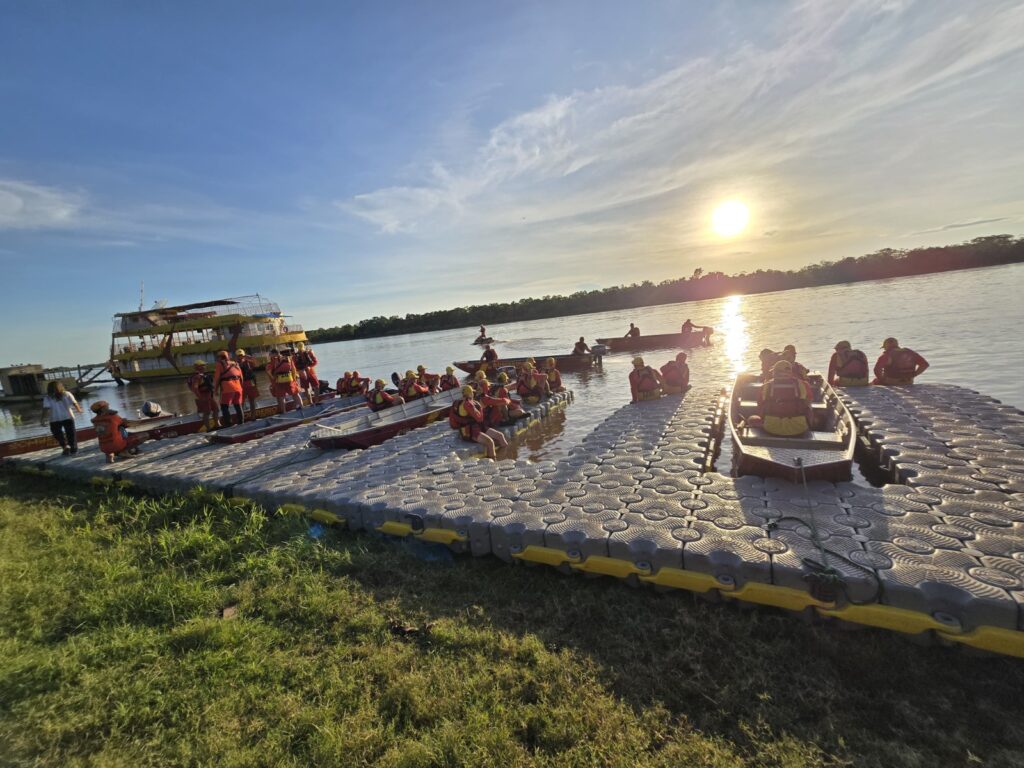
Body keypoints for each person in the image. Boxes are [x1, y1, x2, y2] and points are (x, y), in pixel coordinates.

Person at [754, 360, 813, 436]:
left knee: (752, 418)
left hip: (771, 428)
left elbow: (760, 407)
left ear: (774, 372)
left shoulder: (765, 386)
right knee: (809, 407)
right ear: (791, 372)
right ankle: (811, 430)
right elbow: (808, 404)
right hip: (799, 428)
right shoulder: (803, 384)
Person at [449, 385, 509, 460]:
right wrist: (481, 408)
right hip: (469, 431)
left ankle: (505, 457)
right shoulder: (468, 404)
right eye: (472, 393)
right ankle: (493, 462)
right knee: (490, 442)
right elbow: (479, 418)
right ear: (471, 393)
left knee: (500, 435)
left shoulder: (457, 403)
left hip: (478, 427)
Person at [40, 381, 83, 455]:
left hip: (55, 418)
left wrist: (43, 419)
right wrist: (79, 409)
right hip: (68, 416)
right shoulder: (67, 394)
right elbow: (74, 402)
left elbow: (45, 409)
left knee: (57, 434)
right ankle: (73, 449)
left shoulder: (48, 398)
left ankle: (65, 447)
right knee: (71, 433)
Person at [266, 349, 304, 415]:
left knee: (281, 396)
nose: (269, 355)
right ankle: (301, 407)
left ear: (274, 354)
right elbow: (293, 369)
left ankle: (284, 412)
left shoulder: (272, 361)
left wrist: (273, 382)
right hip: (289, 379)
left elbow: (269, 372)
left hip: (279, 381)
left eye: (270, 354)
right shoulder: (288, 358)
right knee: (295, 393)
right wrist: (294, 379)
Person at [214, 350, 245, 427]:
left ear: (220, 357)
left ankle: (228, 424)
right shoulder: (235, 363)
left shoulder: (219, 364)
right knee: (238, 405)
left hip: (227, 387)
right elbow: (241, 377)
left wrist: (215, 390)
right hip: (238, 387)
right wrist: (241, 387)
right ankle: (241, 423)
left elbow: (217, 378)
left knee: (224, 406)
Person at [187, 361, 219, 430]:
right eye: (203, 365)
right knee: (207, 412)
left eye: (204, 365)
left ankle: (217, 425)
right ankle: (208, 428)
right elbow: (194, 388)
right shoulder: (197, 377)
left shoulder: (203, 375)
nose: (205, 366)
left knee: (216, 409)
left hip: (209, 395)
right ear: (198, 367)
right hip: (204, 396)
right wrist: (201, 397)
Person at [236, 348, 260, 420]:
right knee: (241, 402)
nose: (240, 357)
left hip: (249, 383)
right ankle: (242, 418)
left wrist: (250, 358)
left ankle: (253, 417)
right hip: (241, 385)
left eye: (241, 355)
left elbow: (257, 365)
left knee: (251, 401)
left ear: (243, 355)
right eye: (239, 356)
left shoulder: (249, 362)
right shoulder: (235, 364)